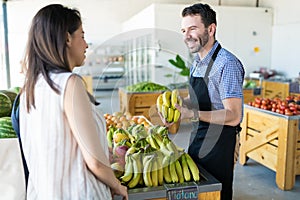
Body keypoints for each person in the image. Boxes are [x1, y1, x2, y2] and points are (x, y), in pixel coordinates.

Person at [19, 4, 128, 200]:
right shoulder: (70, 84)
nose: (86, 45)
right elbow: (93, 161)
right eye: (82, 35)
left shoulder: (30, 87)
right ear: (67, 38)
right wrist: (117, 185)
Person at [166, 3, 244, 200]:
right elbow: (197, 98)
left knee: (216, 192)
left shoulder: (227, 64)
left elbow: (234, 115)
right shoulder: (197, 62)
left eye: (193, 28)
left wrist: (193, 114)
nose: (186, 36)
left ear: (211, 29)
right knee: (198, 191)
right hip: (198, 135)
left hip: (219, 143)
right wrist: (177, 107)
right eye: (184, 30)